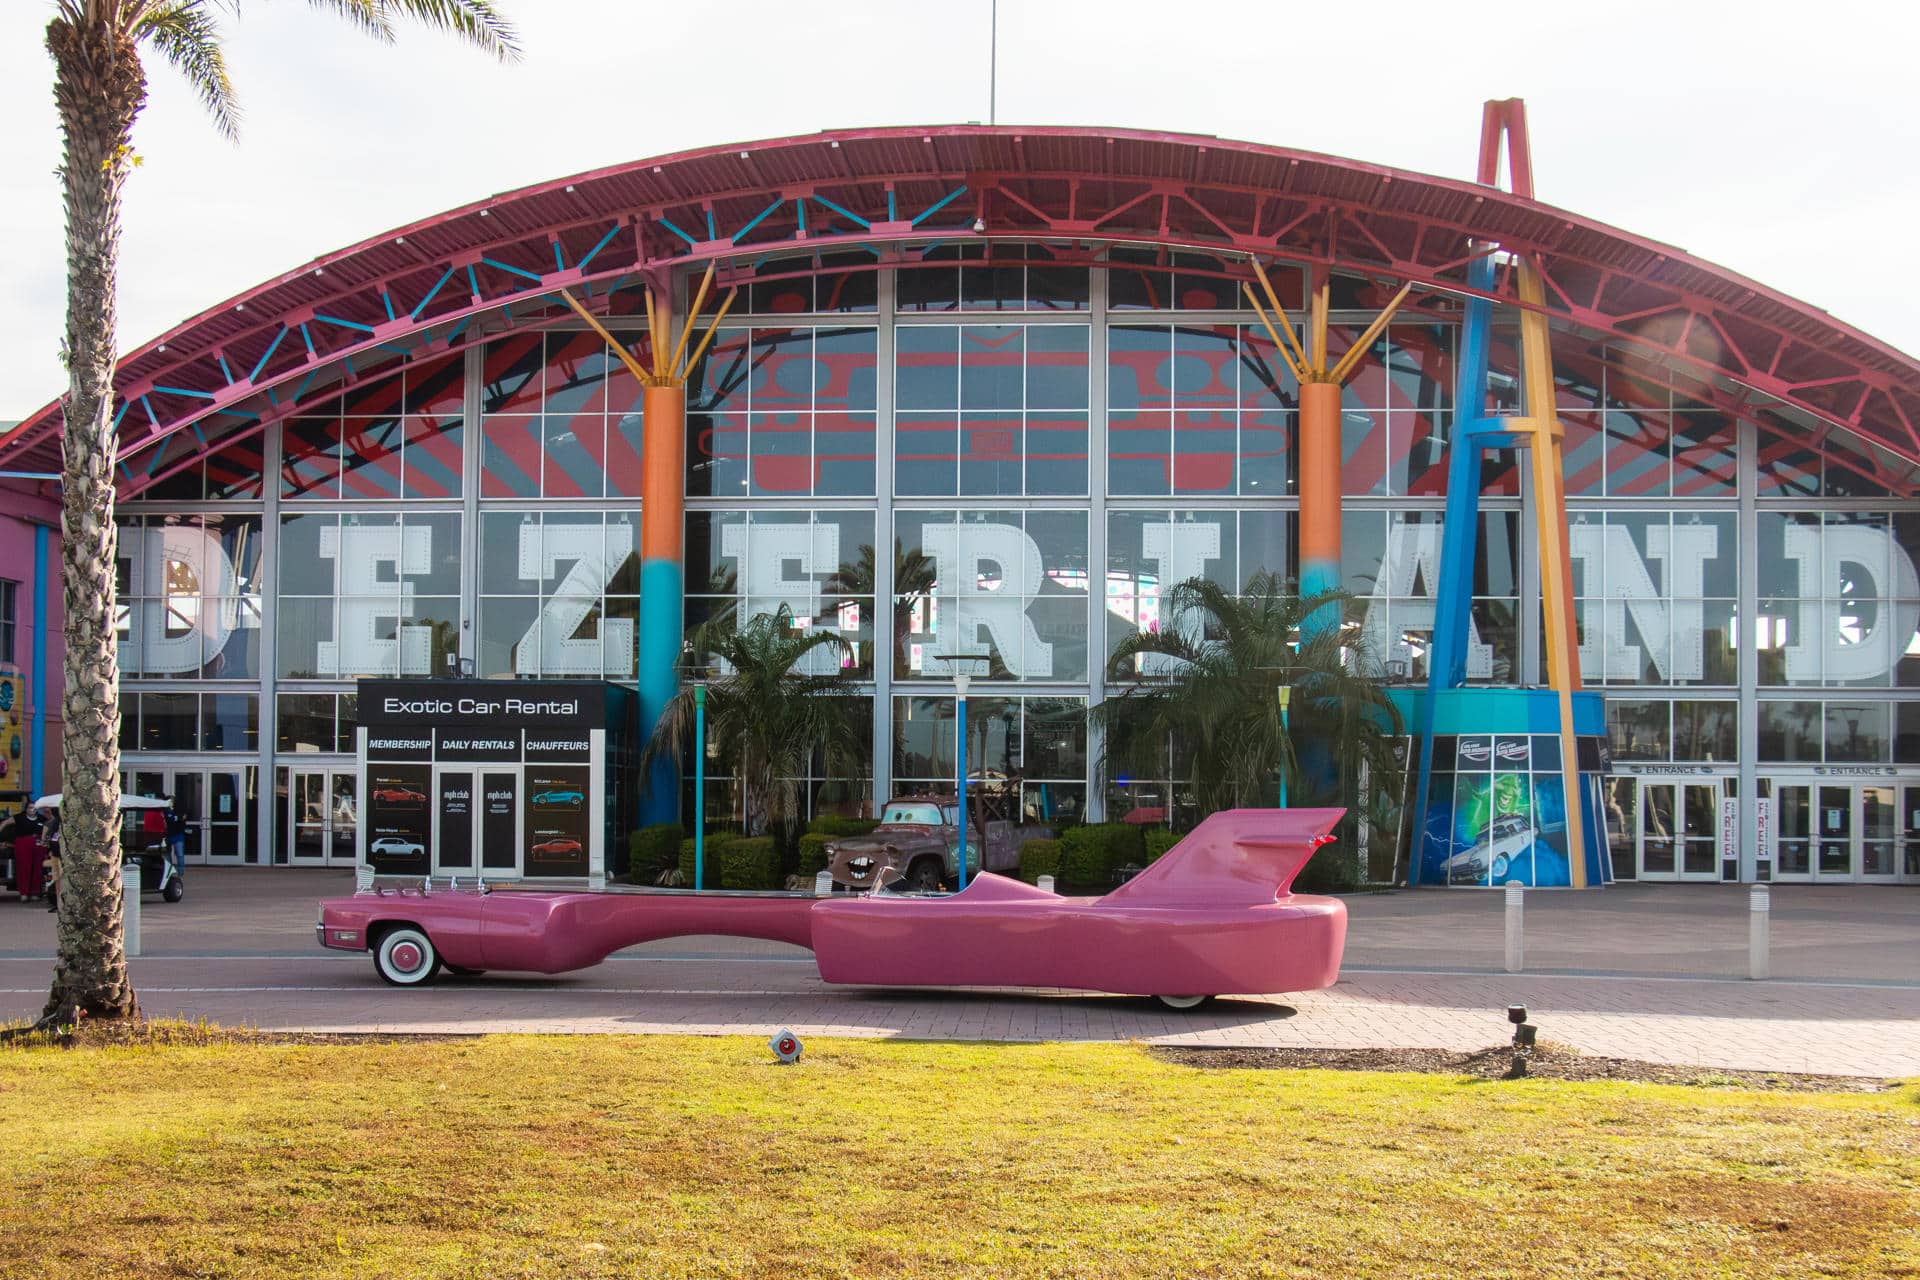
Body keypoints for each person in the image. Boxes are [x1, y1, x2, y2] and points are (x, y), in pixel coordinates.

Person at [163, 796, 188, 880]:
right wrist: (179, 818)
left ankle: (180, 872)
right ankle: (169, 871)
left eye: (172, 801)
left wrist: (177, 818)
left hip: (178, 835)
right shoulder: (165, 810)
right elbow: (170, 819)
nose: (171, 802)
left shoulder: (179, 809)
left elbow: (183, 818)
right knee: (167, 854)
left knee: (180, 855)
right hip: (168, 835)